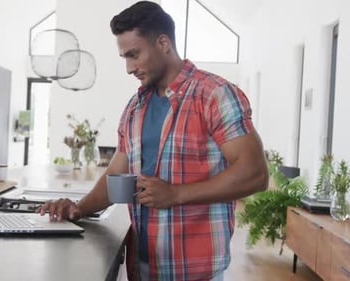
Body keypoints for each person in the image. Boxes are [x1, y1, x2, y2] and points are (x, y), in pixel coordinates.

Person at [39, 1, 268, 280]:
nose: (128, 67)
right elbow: (116, 177)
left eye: (134, 55)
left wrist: (176, 194)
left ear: (163, 43)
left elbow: (255, 174)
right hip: (142, 267)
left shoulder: (215, 95)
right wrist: (79, 208)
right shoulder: (135, 107)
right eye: (124, 57)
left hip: (193, 272)